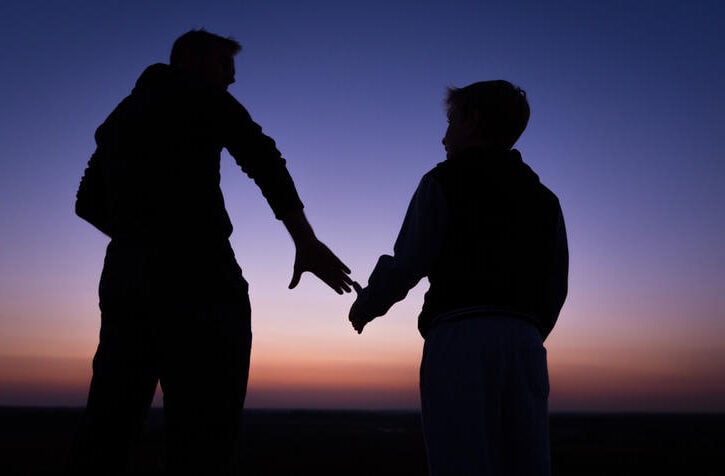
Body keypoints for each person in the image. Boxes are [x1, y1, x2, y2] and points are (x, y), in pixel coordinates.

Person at [70, 29, 352, 475]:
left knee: (109, 427)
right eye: (226, 66)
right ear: (194, 60)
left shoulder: (117, 119)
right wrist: (306, 241)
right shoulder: (199, 93)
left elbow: (86, 203)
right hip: (201, 280)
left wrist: (139, 238)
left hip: (126, 280)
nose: (232, 80)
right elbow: (261, 155)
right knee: (204, 438)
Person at [349, 80, 568, 475]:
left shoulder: (443, 181)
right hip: (525, 342)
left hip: (459, 338)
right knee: (525, 462)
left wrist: (367, 304)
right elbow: (556, 285)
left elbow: (408, 261)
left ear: (473, 122)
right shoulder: (545, 200)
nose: (443, 136)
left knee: (460, 461)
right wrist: (527, 333)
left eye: (451, 119)